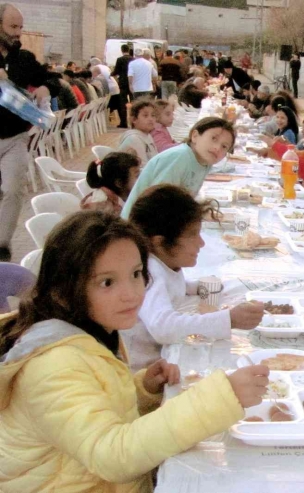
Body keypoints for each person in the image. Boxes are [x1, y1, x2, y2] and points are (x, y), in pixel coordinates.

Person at [0, 211, 270, 492]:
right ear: (62, 290)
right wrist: (222, 396)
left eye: (136, 274)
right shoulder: (52, 364)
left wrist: (141, 389)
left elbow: (88, 412)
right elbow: (113, 456)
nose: (131, 293)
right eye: (107, 282)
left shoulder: (88, 330)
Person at [125, 185, 265, 371]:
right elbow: (163, 327)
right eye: (192, 235)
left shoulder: (161, 262)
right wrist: (228, 319)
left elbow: (172, 287)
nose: (201, 243)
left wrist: (196, 287)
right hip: (143, 371)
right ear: (159, 242)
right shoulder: (149, 272)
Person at [0, 3, 51, 262]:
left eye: (21, 27)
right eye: (13, 27)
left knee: (13, 188)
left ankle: (2, 245)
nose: (18, 32)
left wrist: (43, 87)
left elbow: (47, 78)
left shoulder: (24, 58)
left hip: (14, 137)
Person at [121, 117, 235, 219]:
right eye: (213, 138)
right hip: (138, 225)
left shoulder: (205, 161)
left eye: (224, 146)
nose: (217, 148)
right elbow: (157, 204)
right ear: (195, 136)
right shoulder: (179, 157)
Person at [118, 99, 158, 167]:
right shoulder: (134, 139)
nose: (151, 119)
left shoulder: (147, 136)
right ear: (134, 119)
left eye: (153, 115)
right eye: (145, 115)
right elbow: (142, 168)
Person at [111, 43, 133, 128]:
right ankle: (133, 121)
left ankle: (124, 122)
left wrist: (111, 74)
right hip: (131, 83)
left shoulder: (120, 59)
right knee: (132, 102)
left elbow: (116, 71)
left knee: (123, 103)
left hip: (123, 83)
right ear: (128, 50)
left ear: (122, 50)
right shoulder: (132, 59)